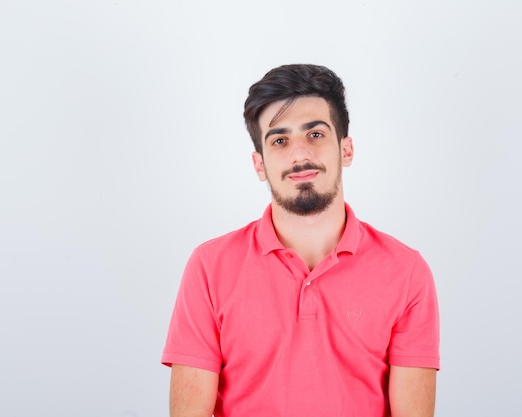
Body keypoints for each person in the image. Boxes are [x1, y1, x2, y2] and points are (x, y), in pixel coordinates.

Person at [162, 64, 440, 417]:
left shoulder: (407, 271)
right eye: (280, 140)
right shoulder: (208, 267)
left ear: (347, 149)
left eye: (315, 135)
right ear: (259, 164)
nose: (299, 155)